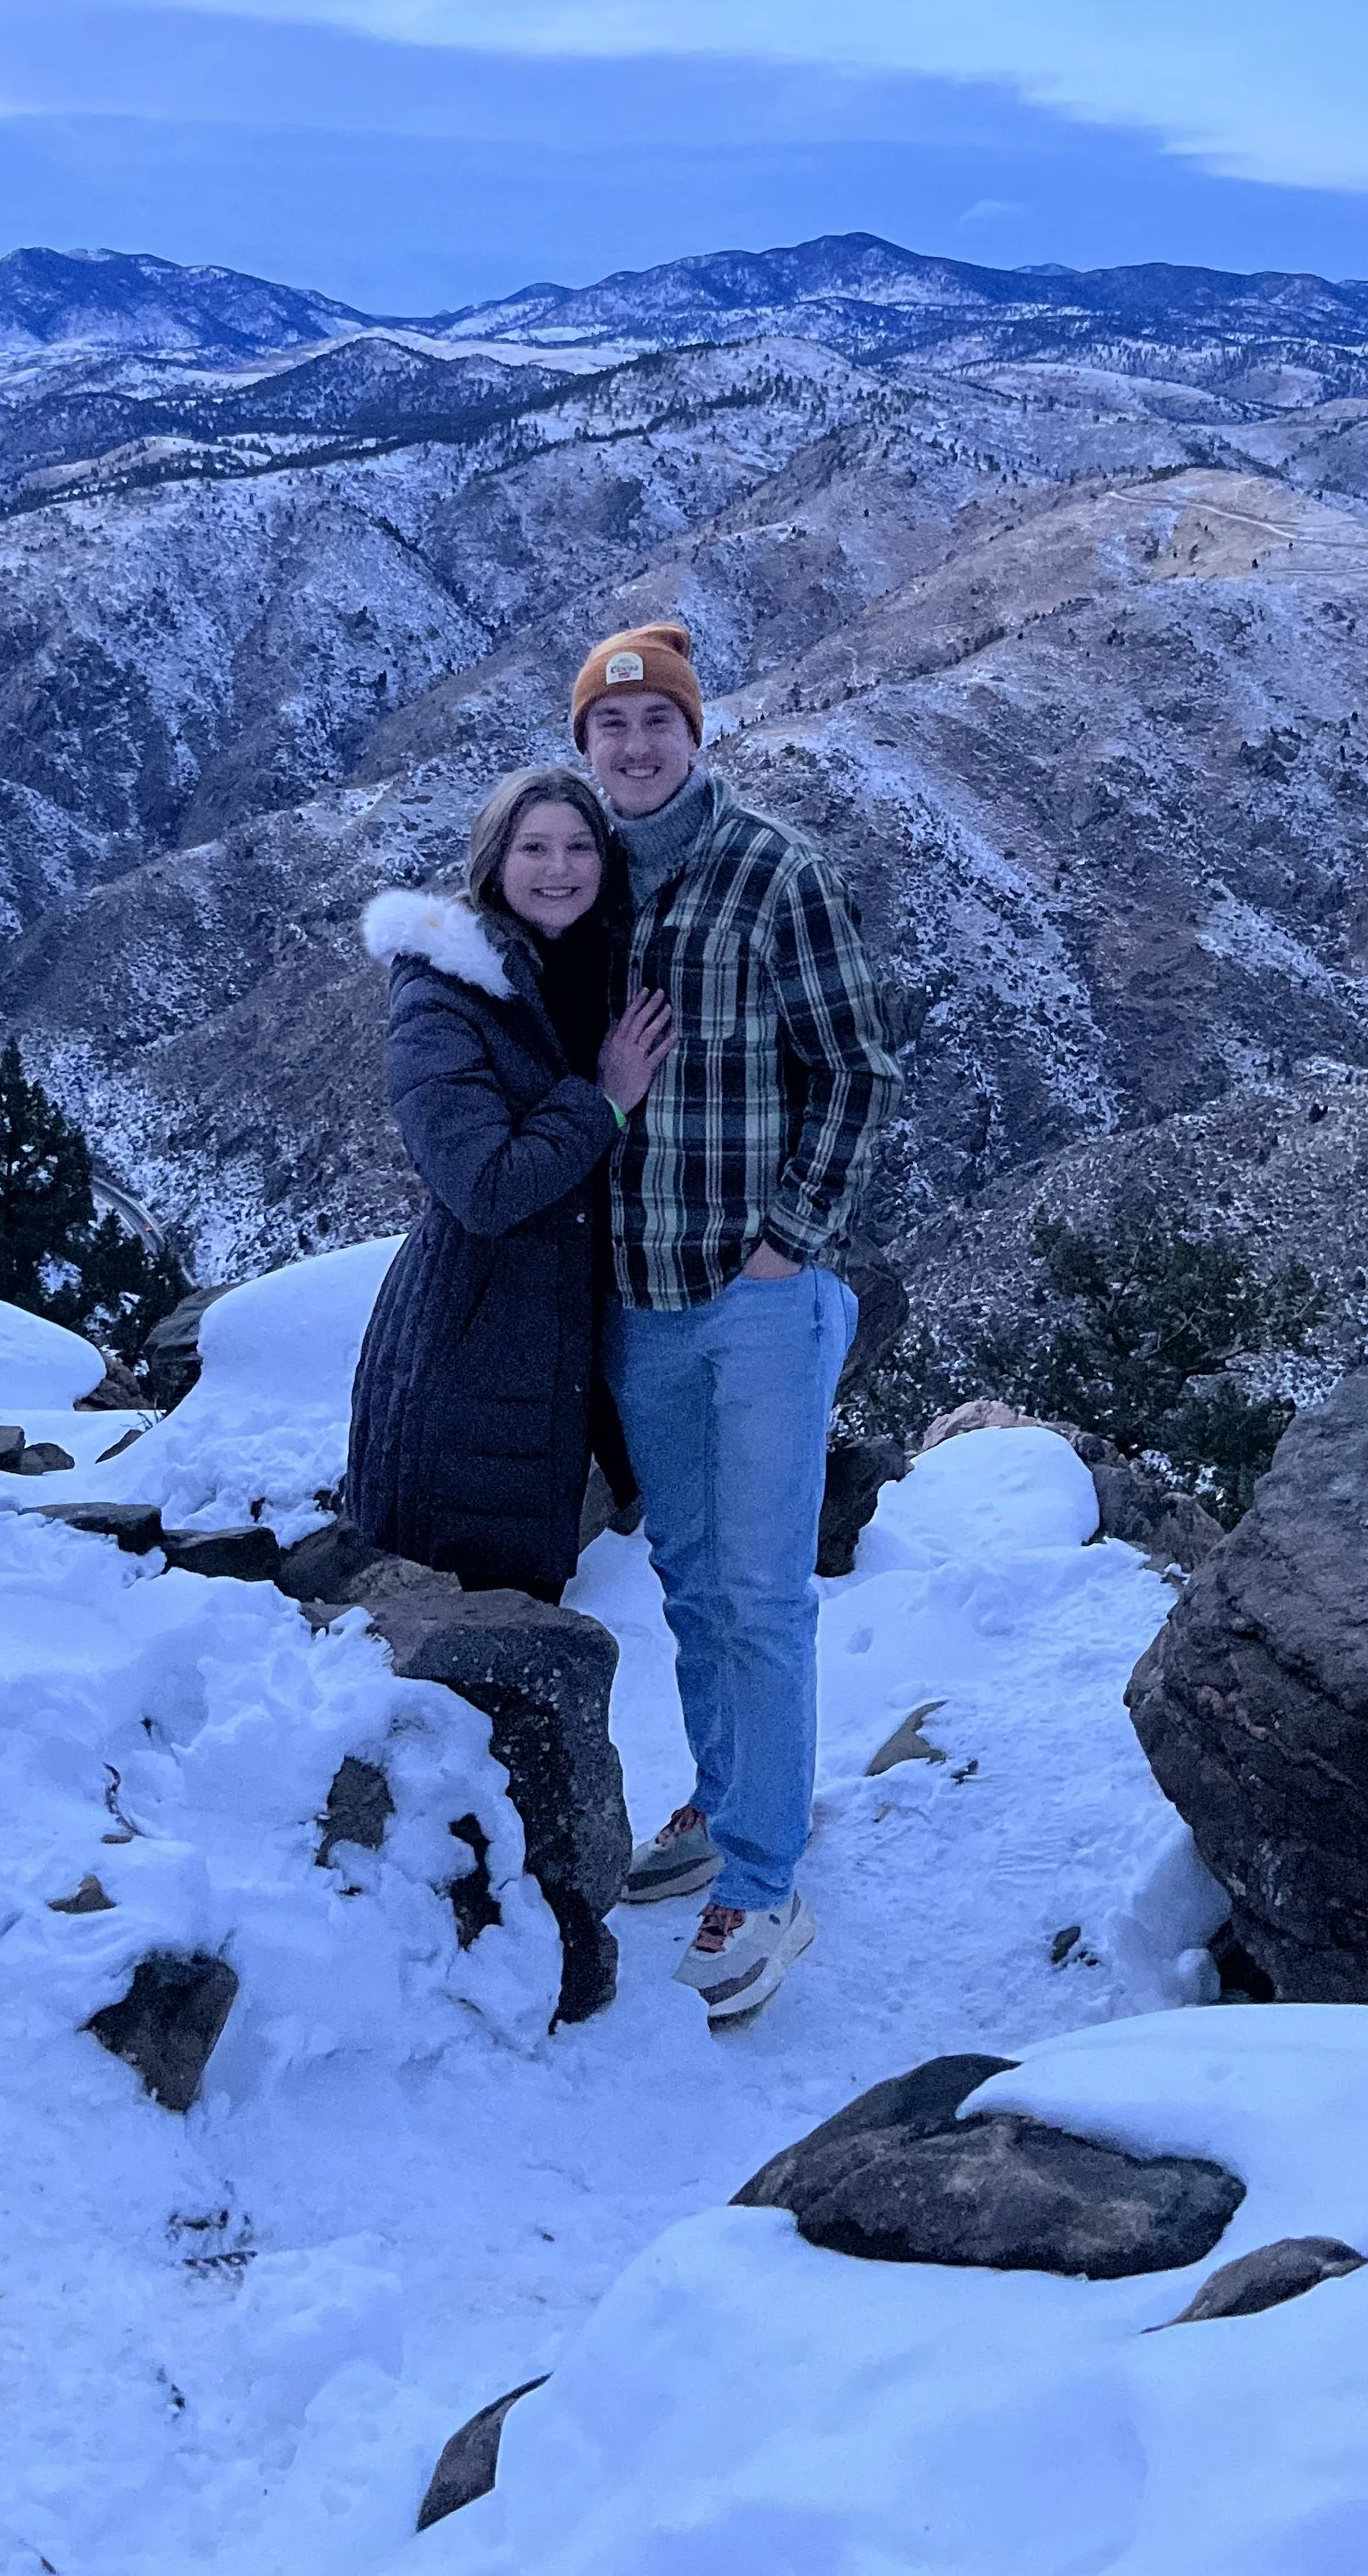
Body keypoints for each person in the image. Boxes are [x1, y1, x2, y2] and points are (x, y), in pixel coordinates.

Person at [572, 621, 900, 2019]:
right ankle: (724, 1796)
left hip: (758, 1295)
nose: (637, 748)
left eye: (659, 725)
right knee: (695, 1584)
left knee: (763, 1592)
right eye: (610, 729)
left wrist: (789, 1242)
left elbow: (858, 1070)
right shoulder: (579, 888)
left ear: (696, 735)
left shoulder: (773, 872)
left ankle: (763, 1880)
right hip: (640, 1297)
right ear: (584, 747)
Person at [346, 767, 673, 1603]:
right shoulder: (443, 991)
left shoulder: (606, 965)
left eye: (577, 846)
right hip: (479, 1347)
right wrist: (603, 1098)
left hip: (579, 1337)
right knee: (498, 1624)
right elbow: (480, 1186)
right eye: (533, 846)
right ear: (493, 861)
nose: (557, 866)